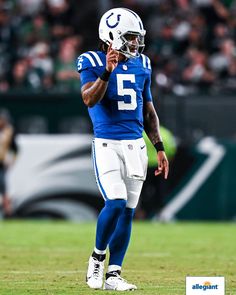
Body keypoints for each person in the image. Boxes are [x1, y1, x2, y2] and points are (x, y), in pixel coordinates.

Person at [77, 8, 169, 291]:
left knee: (128, 211)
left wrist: (160, 147)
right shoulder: (91, 60)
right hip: (107, 143)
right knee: (115, 202)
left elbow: (148, 109)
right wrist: (107, 70)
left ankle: (114, 274)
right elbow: (89, 99)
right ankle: (97, 258)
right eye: (129, 37)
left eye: (136, 38)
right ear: (112, 37)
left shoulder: (143, 63)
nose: (135, 44)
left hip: (136, 146)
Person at [0, 109, 17, 217]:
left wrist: (11, 160)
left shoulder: (9, 131)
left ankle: (8, 213)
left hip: (1, 164)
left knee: (4, 188)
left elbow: (15, 149)